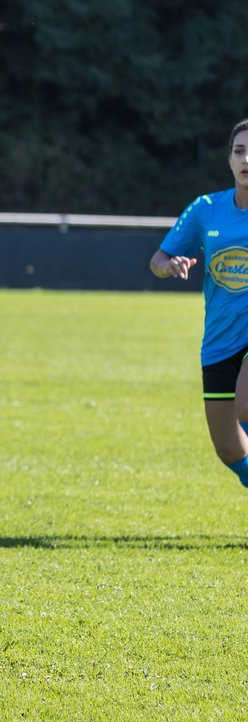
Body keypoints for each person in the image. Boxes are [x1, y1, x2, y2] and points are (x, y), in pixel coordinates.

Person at [151, 118, 248, 492]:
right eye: (239, 151)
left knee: (245, 406)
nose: (246, 159)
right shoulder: (206, 208)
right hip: (219, 339)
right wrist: (170, 265)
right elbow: (157, 260)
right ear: (229, 159)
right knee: (228, 448)